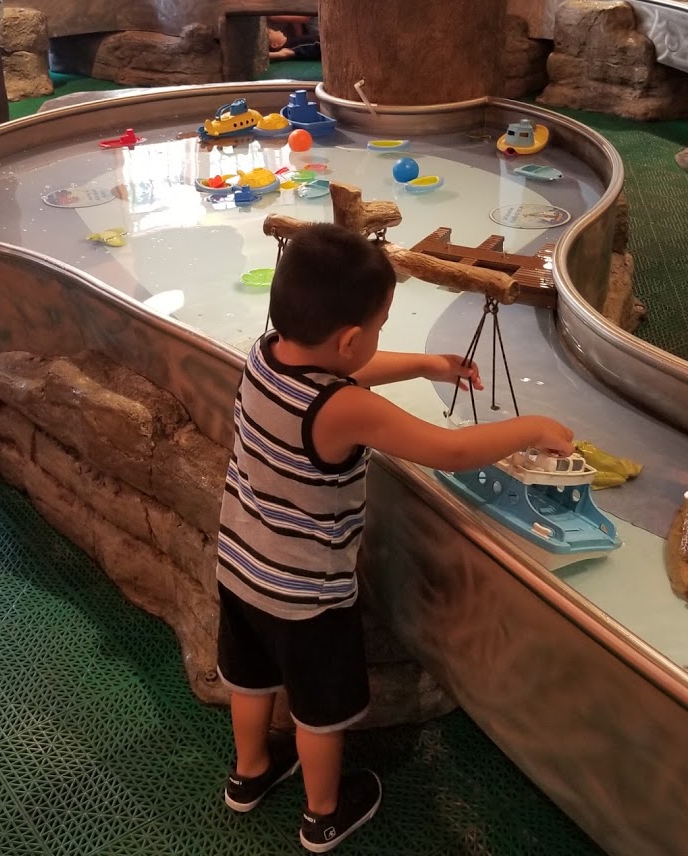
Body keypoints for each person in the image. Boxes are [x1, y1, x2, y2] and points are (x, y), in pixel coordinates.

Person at [216, 223, 574, 852]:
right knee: (318, 713)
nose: (380, 339)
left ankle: (249, 773)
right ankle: (323, 813)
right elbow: (449, 450)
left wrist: (427, 364)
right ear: (350, 339)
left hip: (241, 567)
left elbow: (350, 367)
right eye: (381, 326)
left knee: (251, 678)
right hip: (307, 598)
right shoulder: (340, 408)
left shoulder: (266, 352)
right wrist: (532, 427)